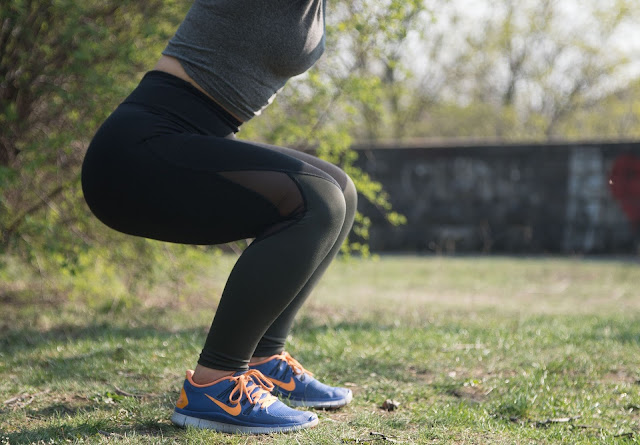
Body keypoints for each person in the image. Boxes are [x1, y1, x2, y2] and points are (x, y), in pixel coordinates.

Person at [81, 0, 357, 435]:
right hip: (136, 151)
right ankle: (215, 385)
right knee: (317, 201)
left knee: (340, 189)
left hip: (183, 141)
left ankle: (264, 361)